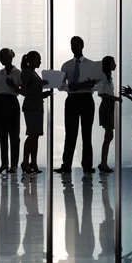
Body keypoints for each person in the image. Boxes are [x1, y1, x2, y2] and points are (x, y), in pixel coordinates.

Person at [54, 36, 97, 174]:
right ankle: (66, 165)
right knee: (70, 133)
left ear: (82, 46)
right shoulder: (66, 65)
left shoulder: (91, 65)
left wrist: (91, 85)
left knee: (87, 134)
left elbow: (98, 85)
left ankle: (87, 166)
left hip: (86, 98)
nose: (74, 48)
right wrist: (70, 87)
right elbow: (60, 86)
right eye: (72, 45)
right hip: (72, 99)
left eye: (77, 45)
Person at [19, 51, 52, 174]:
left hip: (37, 106)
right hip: (31, 107)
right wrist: (39, 85)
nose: (40, 62)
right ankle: (25, 161)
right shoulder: (26, 72)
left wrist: (44, 93)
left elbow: (34, 92)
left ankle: (33, 162)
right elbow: (26, 90)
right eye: (38, 59)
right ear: (31, 60)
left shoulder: (33, 73)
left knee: (36, 135)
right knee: (32, 134)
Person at [0, 48, 22, 173]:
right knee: (2, 135)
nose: (0, 59)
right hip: (0, 103)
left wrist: (12, 86)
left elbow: (21, 90)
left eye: (2, 57)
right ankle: (4, 163)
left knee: (14, 134)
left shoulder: (18, 73)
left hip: (12, 101)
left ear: (9, 57)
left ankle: (14, 164)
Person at [96, 56, 121, 173]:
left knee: (109, 136)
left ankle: (103, 162)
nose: (115, 65)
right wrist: (115, 98)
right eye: (113, 63)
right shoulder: (103, 77)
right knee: (109, 135)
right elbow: (101, 93)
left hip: (109, 107)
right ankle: (103, 163)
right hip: (106, 106)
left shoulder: (108, 77)